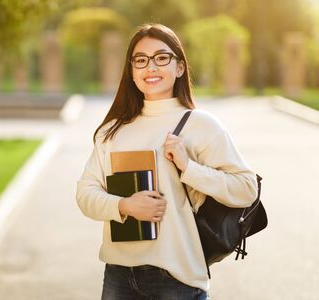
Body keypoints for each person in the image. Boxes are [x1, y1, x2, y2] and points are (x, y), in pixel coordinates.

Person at [76, 23, 258, 300]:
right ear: (132, 71)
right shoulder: (112, 130)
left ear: (180, 68)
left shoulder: (202, 125)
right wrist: (124, 206)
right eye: (141, 60)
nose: (151, 67)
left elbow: (246, 189)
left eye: (162, 58)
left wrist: (189, 168)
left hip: (177, 279)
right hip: (119, 276)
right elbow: (85, 194)